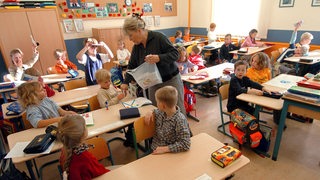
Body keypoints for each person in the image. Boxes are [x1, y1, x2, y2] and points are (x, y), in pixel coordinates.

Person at [120, 14, 186, 116]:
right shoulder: (137, 47)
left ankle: (184, 132)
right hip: (153, 84)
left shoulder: (159, 37)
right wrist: (125, 82)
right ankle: (162, 132)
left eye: (131, 35)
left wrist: (159, 58)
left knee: (178, 112)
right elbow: (132, 66)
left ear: (138, 30)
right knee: (157, 112)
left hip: (171, 81)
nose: (130, 39)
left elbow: (175, 54)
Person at [57, 114, 110, 180]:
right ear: (83, 134)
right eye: (85, 126)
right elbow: (103, 173)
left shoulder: (65, 150)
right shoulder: (86, 158)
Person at [144, 86, 191, 154]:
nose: (156, 104)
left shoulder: (180, 120)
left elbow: (185, 144)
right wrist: (150, 112)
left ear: (163, 106)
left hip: (169, 153)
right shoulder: (161, 112)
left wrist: (165, 149)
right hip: (154, 148)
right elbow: (155, 110)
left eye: (157, 102)